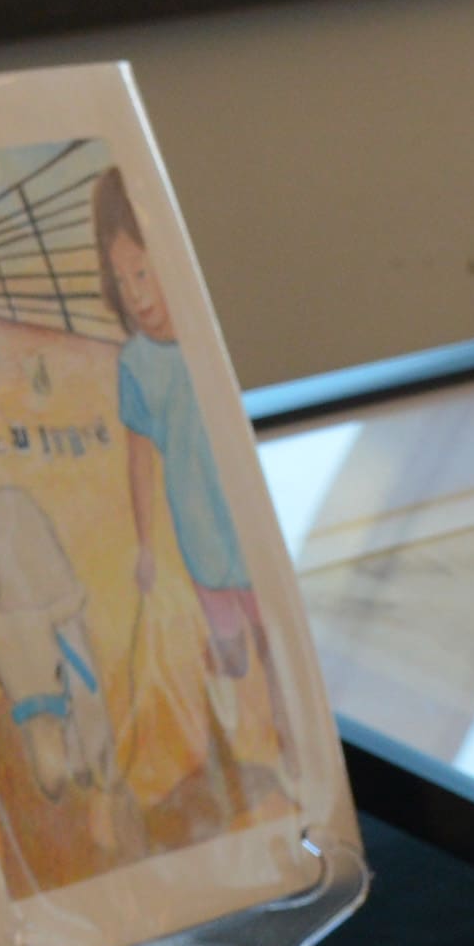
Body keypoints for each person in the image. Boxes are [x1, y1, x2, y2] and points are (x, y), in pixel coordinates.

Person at [97, 168, 277, 820]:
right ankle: (227, 658)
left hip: (247, 534)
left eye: (144, 273)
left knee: (270, 639)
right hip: (198, 535)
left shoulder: (211, 340)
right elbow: (139, 458)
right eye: (123, 281)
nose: (137, 295)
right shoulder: (136, 365)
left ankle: (290, 737)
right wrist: (145, 545)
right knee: (228, 644)